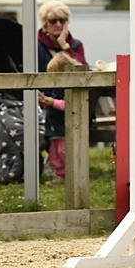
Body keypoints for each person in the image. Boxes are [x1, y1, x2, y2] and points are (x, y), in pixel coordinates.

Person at [39, 51, 83, 184]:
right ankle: (61, 175)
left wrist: (53, 102)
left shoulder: (69, 89)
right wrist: (46, 102)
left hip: (64, 128)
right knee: (54, 155)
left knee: (64, 152)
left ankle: (73, 175)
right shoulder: (55, 89)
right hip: (54, 127)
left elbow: (68, 105)